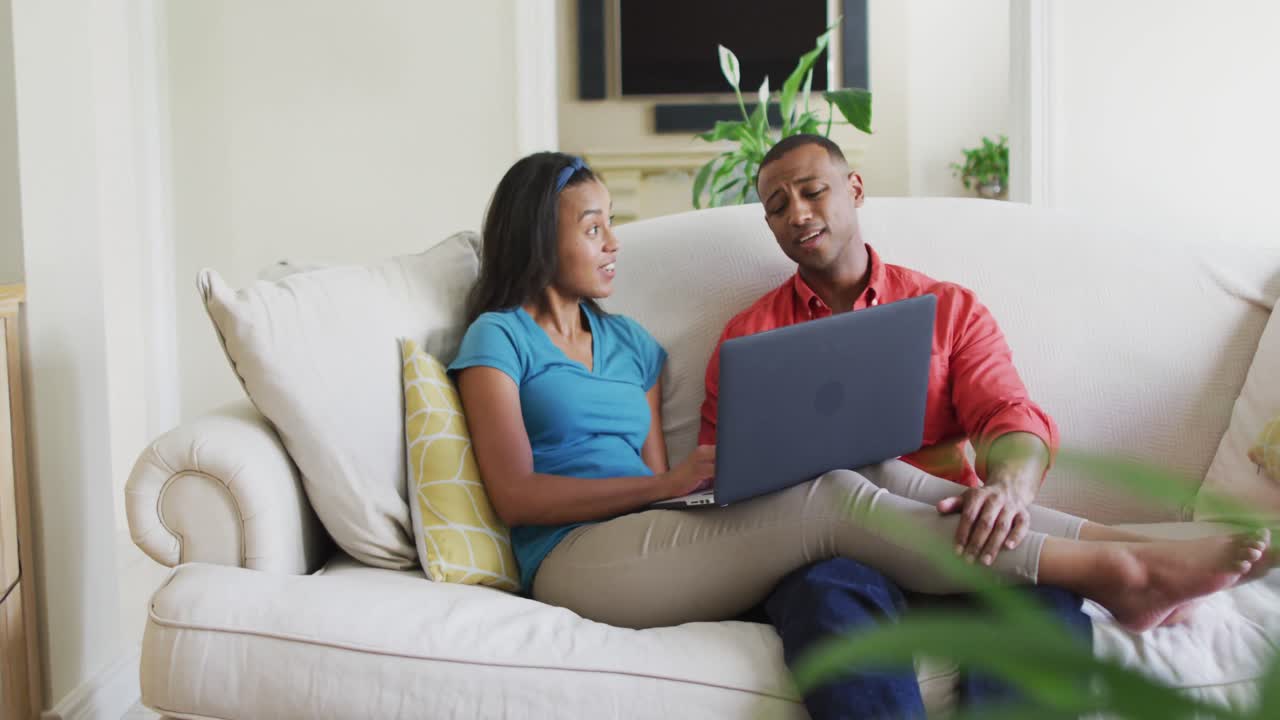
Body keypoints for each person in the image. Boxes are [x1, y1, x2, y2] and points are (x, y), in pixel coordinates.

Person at [449, 150, 1271, 658]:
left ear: (852, 191)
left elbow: (666, 479)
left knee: (867, 463)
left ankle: (1136, 543)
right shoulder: (498, 337)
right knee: (834, 492)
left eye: (610, 225)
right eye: (592, 226)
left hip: (657, 540)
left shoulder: (632, 344)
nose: (612, 242)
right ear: (535, 237)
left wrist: (692, 486)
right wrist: (670, 487)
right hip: (573, 560)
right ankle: (1121, 573)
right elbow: (517, 495)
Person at [698, 133, 1090, 718]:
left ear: (854, 189)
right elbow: (715, 480)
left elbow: (1008, 415)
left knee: (1048, 604)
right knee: (824, 595)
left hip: (952, 538)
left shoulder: (948, 309)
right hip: (832, 559)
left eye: (812, 192)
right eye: (777, 207)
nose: (797, 213)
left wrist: (1009, 486)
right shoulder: (746, 338)